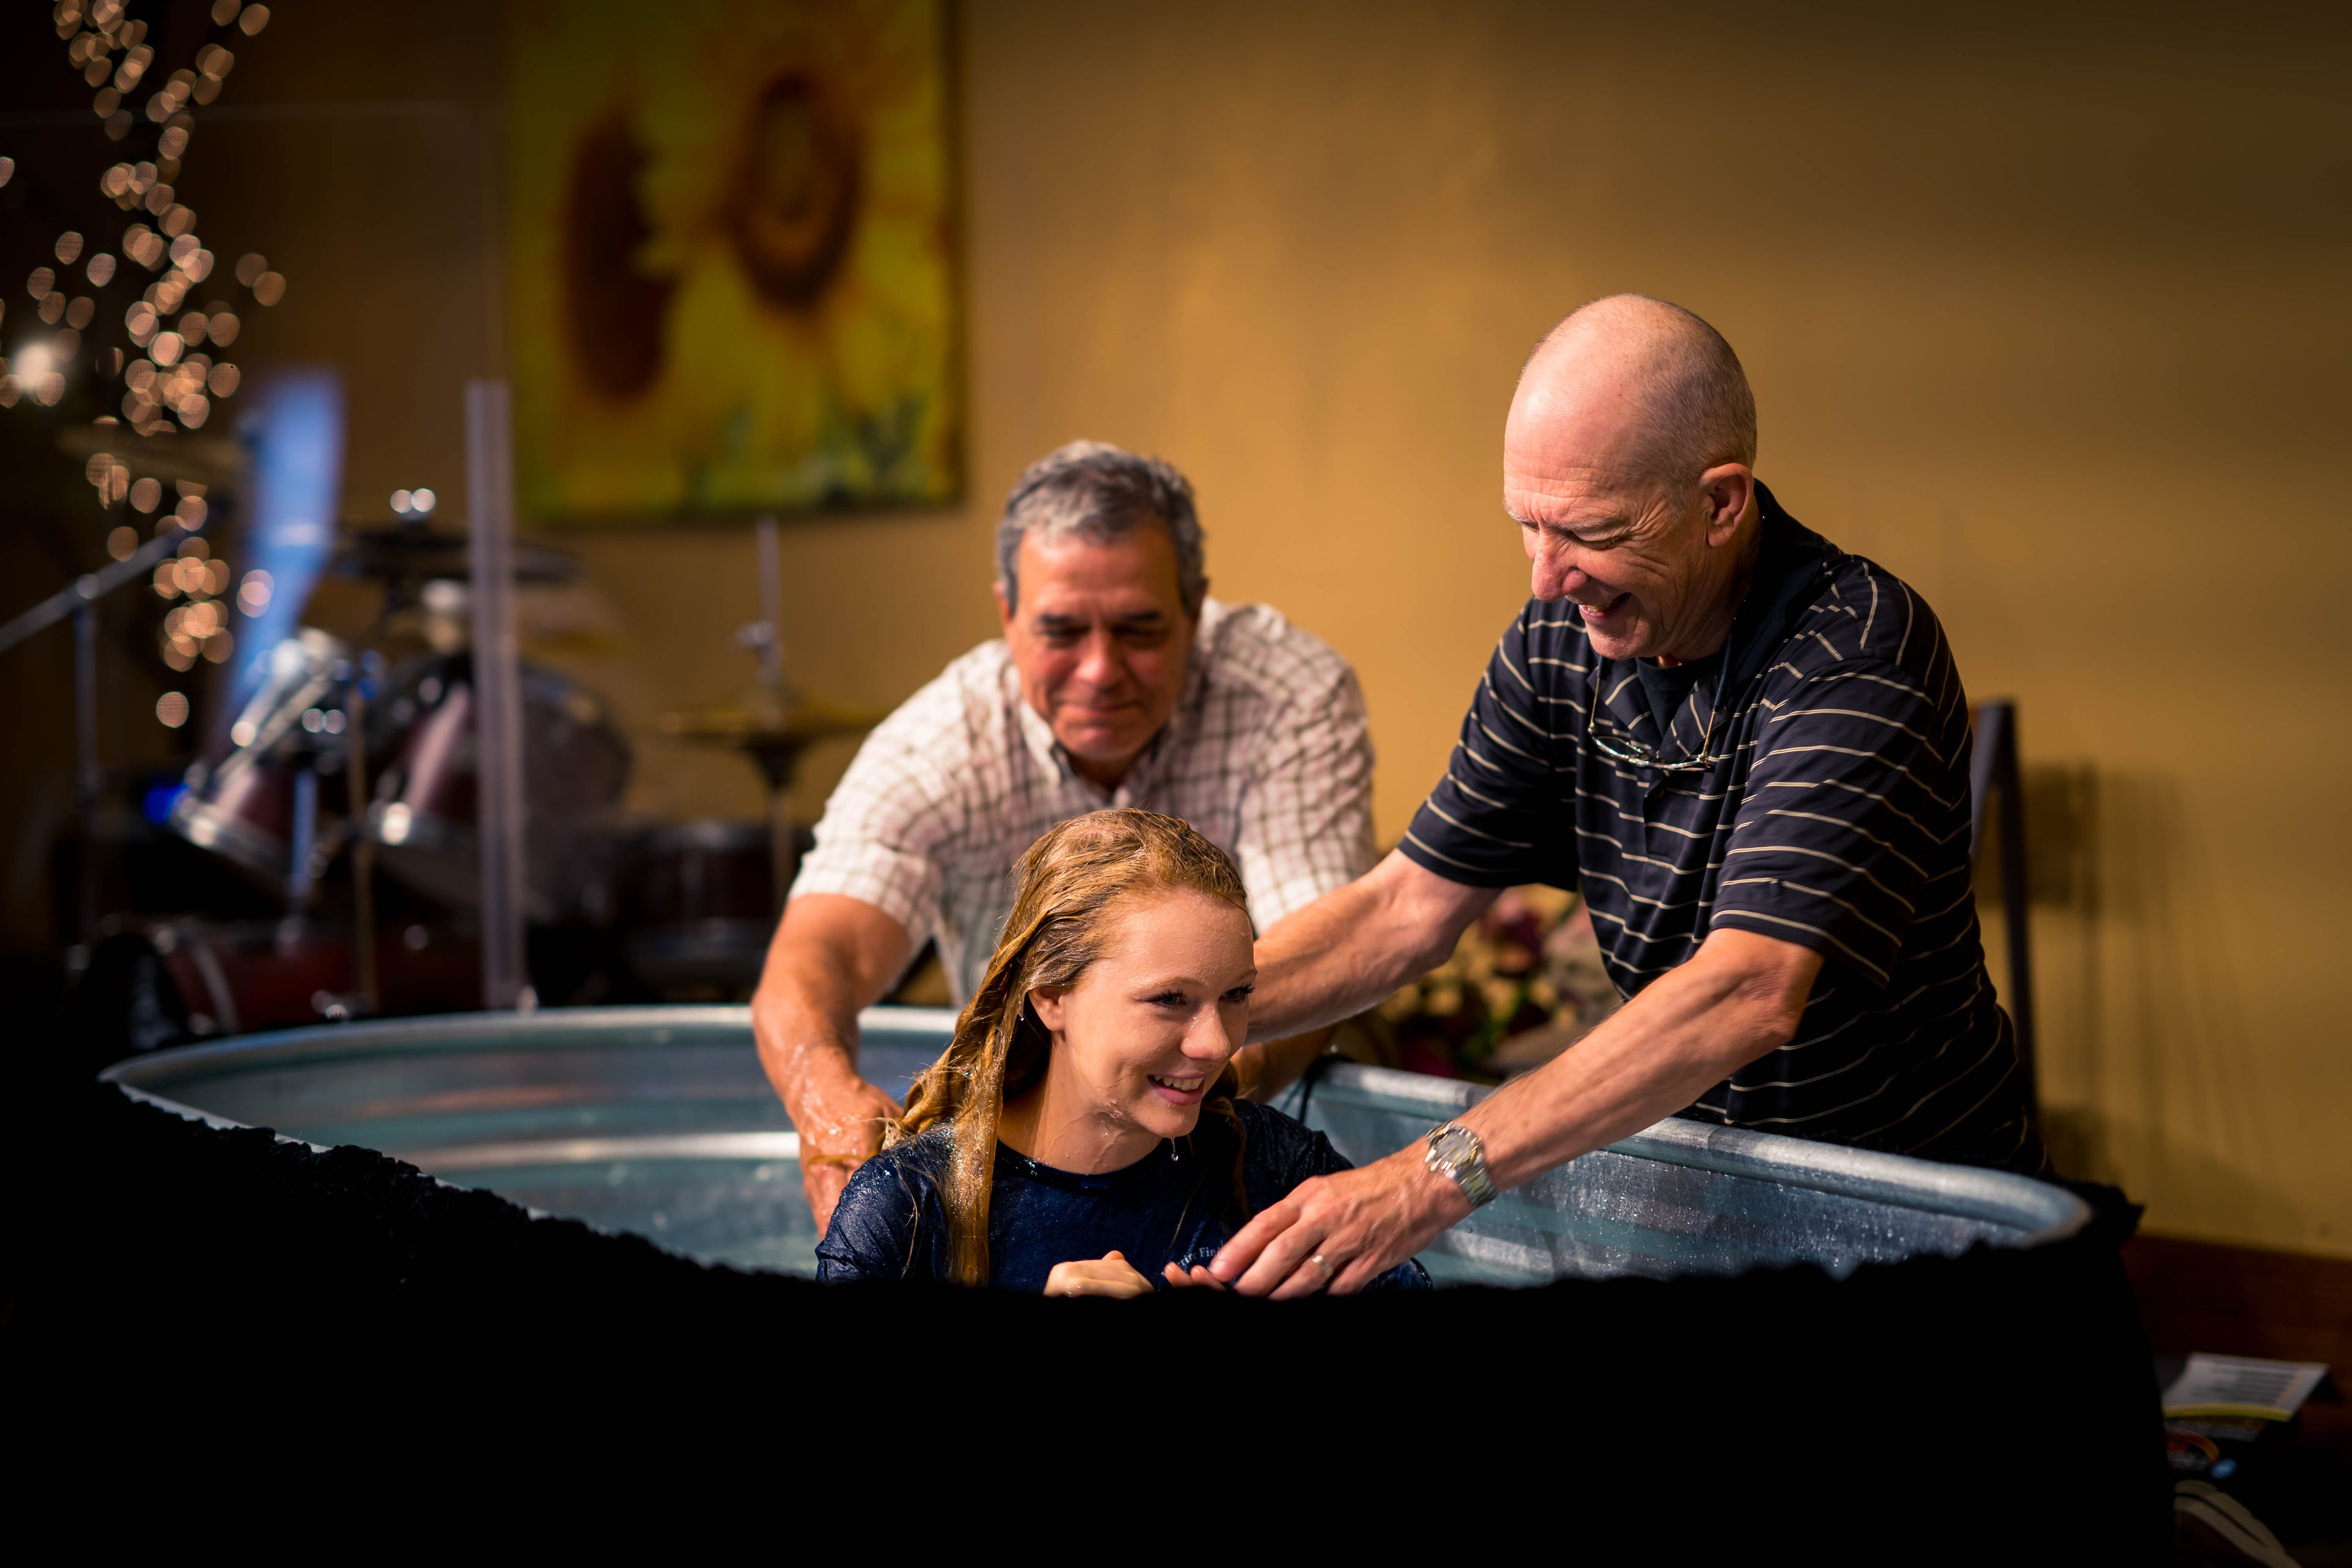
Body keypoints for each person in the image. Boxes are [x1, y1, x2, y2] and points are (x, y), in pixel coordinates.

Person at [1208, 295, 2043, 1298]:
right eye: (1527, 526)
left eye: (1589, 533)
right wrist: (1175, 1013)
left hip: (1921, 1220)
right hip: (1720, 1204)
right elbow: (1404, 910)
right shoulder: (1559, 639)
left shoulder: (1855, 647)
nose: (1548, 578)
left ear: (1721, 503)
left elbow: (1747, 991)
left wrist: (1426, 1179)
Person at [754, 442, 1377, 1235]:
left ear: (1196, 609)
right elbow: (819, 953)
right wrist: (827, 1100)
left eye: (1140, 630)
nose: (1099, 670)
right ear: (1007, 616)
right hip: (1014, 1159)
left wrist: (1182, 1090)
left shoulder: (1290, 699)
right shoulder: (940, 744)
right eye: (1060, 631)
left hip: (1246, 1131)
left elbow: (1321, 946)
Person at [815, 809, 1428, 1294]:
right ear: (1051, 998)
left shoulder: (1278, 1174)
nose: (1218, 1042)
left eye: (1237, 994)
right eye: (1168, 999)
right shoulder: (908, 1210)